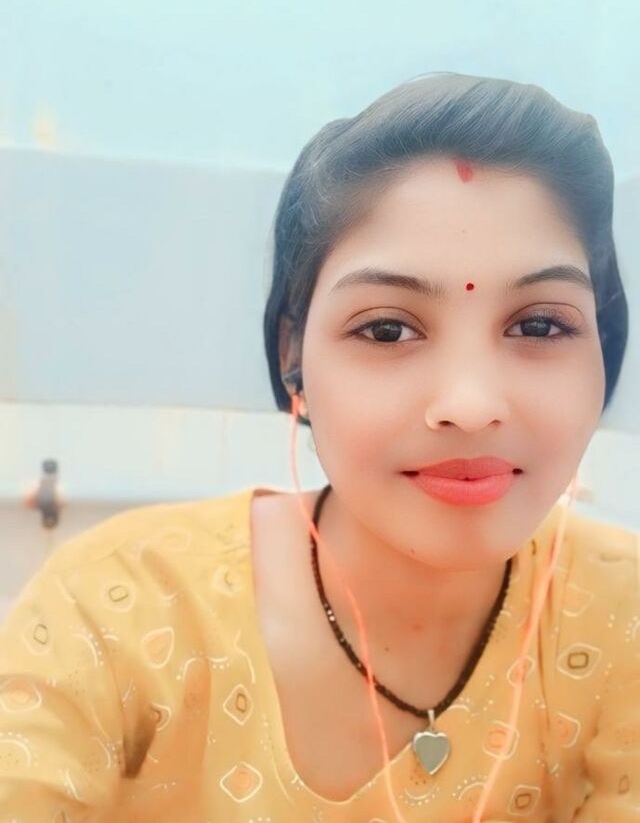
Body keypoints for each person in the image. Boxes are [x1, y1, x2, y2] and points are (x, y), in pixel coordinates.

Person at [0, 72, 637, 822]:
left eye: (539, 326)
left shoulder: (622, 617)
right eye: (388, 330)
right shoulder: (119, 610)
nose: (470, 405)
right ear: (292, 354)